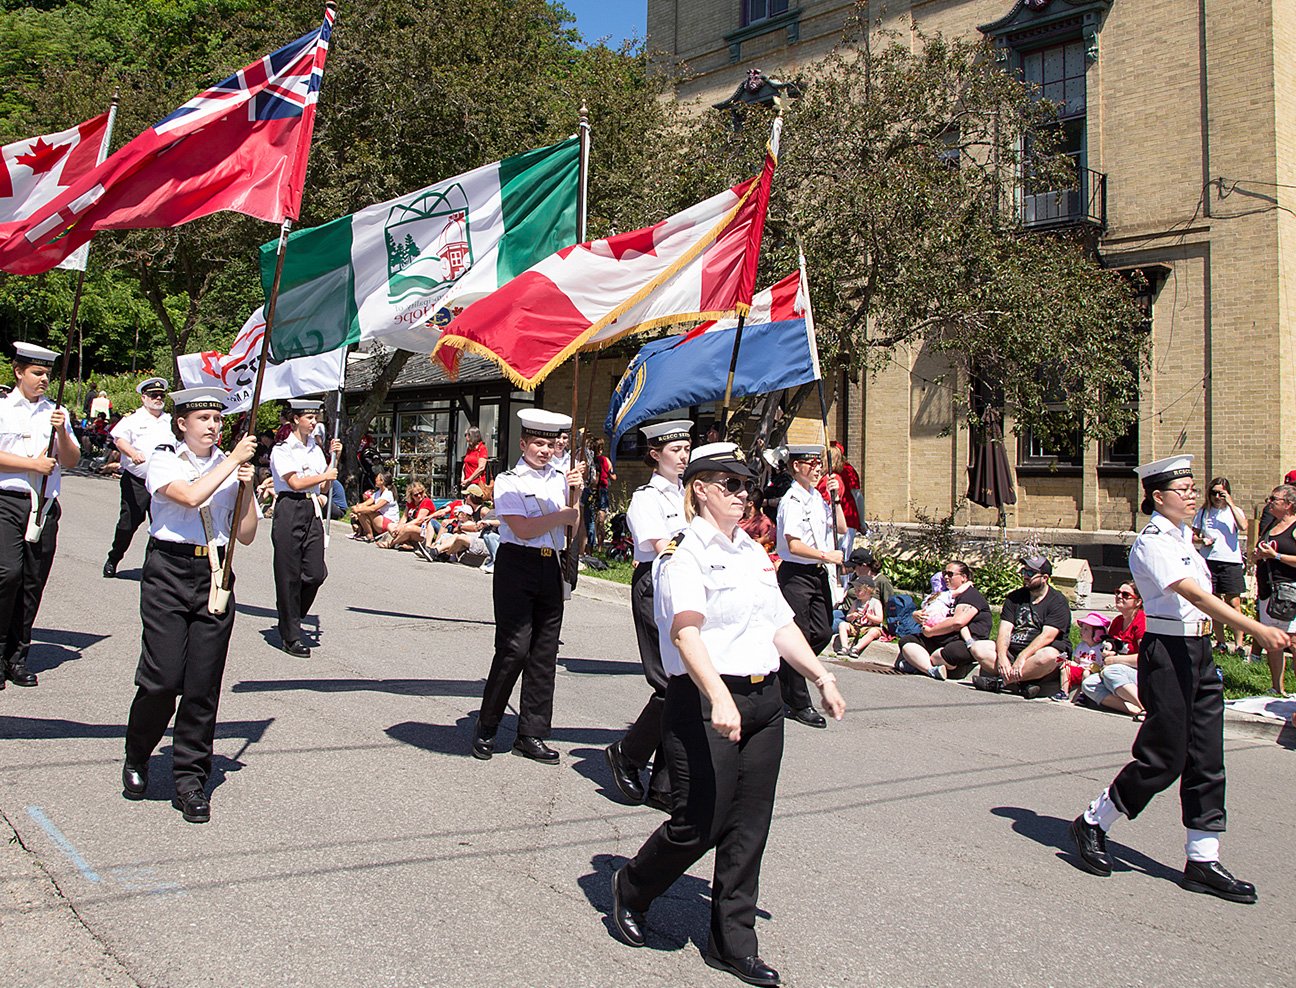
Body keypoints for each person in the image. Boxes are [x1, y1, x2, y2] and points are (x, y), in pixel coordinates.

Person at [607, 441, 845, 987]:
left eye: (748, 486)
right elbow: (686, 632)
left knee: (748, 825)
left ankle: (732, 941)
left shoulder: (752, 553)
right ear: (702, 489)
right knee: (700, 823)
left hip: (764, 702)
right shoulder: (681, 551)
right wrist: (717, 696)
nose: (744, 495)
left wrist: (821, 676)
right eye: (732, 485)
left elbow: (779, 625)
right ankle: (633, 886)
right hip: (705, 699)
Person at [1070, 455, 1289, 904]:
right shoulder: (1152, 542)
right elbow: (1192, 594)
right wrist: (1258, 630)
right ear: (1157, 497)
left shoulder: (1184, 537)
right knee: (1164, 756)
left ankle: (1202, 859)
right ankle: (1093, 820)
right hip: (1169, 653)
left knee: (1207, 755)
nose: (1192, 495)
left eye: (1193, 488)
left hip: (1200, 651)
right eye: (1183, 489)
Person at [119, 387, 259, 823]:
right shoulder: (164, 458)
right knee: (161, 678)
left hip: (215, 573)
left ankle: (190, 780)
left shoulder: (230, 467)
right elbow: (189, 497)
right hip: (168, 571)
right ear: (182, 424)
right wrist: (233, 462)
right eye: (203, 419)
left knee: (202, 684)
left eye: (218, 420)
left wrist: (247, 488)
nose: (213, 427)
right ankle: (139, 752)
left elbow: (247, 533)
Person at [471, 409, 584, 763]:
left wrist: (575, 496)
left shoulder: (561, 479)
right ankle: (487, 726)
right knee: (514, 649)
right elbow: (521, 528)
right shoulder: (509, 480)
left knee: (544, 653)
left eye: (550, 444)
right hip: (517, 564)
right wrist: (562, 515)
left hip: (551, 564)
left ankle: (532, 733)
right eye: (538, 443)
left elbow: (572, 528)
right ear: (523, 444)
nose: (545, 450)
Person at [604, 420, 692, 812]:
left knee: (686, 683)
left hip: (686, 587)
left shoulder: (691, 497)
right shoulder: (646, 498)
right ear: (656, 454)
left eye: (687, 448)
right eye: (676, 450)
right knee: (668, 682)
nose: (684, 455)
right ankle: (628, 753)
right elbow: (659, 545)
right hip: (655, 586)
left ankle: (665, 785)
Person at [0, 342, 79, 690]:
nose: (44, 379)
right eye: (37, 372)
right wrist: (32, 464)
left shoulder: (55, 412)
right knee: (8, 574)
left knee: (33, 581)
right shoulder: (3, 409)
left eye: (48, 374)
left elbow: (72, 460)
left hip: (44, 506)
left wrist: (61, 431)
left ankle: (17, 657)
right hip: (8, 501)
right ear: (19, 372)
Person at [774, 444, 848, 728]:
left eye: (819, 463)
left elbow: (840, 528)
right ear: (796, 466)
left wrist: (837, 499)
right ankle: (799, 702)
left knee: (823, 630)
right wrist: (824, 555)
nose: (817, 468)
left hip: (817, 574)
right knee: (800, 635)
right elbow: (793, 544)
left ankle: (786, 666)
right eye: (810, 463)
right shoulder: (792, 500)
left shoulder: (817, 497)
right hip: (796, 574)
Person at [269, 399, 342, 658]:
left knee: (315, 573)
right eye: (309, 417)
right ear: (295, 419)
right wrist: (325, 476)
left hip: (311, 508)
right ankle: (291, 635)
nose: (314, 422)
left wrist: (335, 459)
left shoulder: (315, 449)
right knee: (288, 573)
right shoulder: (283, 449)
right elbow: (295, 482)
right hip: (290, 506)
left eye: (316, 417)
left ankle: (292, 613)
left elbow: (323, 487)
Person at [970, 555, 1072, 697]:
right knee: (978, 648)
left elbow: (1047, 636)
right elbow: (1004, 631)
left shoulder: (1057, 602)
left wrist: (1023, 657)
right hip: (1013, 653)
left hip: (1037, 656)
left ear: (1045, 578)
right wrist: (1002, 657)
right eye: (1024, 571)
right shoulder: (1015, 598)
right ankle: (1024, 683)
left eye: (1030, 573)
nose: (1025, 576)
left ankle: (1001, 682)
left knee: (1049, 656)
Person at [103, 377, 173, 578]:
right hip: (137, 481)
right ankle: (114, 558)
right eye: (153, 395)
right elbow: (119, 439)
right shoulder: (134, 419)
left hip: (163, 483)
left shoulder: (169, 420)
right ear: (144, 398)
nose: (158, 398)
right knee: (129, 523)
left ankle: (154, 567)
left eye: (161, 395)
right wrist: (132, 452)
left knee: (161, 525)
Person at [895, 560, 992, 679]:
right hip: (941, 638)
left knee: (951, 652)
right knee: (907, 641)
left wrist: (931, 632)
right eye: (944, 573)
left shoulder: (970, 595)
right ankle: (930, 669)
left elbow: (958, 622)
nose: (946, 577)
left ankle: (919, 664)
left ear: (963, 577)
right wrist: (917, 615)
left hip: (965, 640)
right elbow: (929, 610)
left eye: (950, 574)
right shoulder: (944, 594)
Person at [1192, 476, 1247, 654]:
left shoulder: (1234, 511)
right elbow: (1193, 535)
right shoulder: (1203, 512)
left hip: (1230, 560)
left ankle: (1239, 644)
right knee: (1214, 602)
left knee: (1233, 602)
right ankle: (1221, 642)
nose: (1217, 497)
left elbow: (1244, 526)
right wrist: (1202, 540)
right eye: (1214, 493)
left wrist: (1230, 503)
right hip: (1210, 560)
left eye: (1221, 493)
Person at [1253, 483, 1296, 696]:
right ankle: (1277, 687)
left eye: (1274, 499)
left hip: (1291, 591)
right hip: (1269, 590)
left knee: (1294, 640)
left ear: (1288, 504)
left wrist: (1276, 556)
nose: (1269, 503)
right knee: (1273, 640)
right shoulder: (1272, 525)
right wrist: (1259, 556)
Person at [816, 442, 860, 564]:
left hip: (839, 522)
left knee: (841, 559)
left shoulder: (830, 480)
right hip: (843, 522)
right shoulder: (834, 477)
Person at [834, 576, 884, 657]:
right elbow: (848, 617)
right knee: (842, 625)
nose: (856, 592)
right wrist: (853, 615)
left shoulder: (875, 602)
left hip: (870, 627)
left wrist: (868, 616)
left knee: (874, 632)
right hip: (857, 626)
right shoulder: (856, 602)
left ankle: (856, 648)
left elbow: (880, 619)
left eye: (859, 590)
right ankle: (845, 647)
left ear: (868, 590)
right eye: (855, 590)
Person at [583, 437, 615, 551]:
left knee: (590, 519)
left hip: (593, 490)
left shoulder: (590, 461)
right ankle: (600, 547)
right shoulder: (606, 460)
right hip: (603, 490)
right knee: (601, 520)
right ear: (600, 449)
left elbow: (594, 479)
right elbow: (613, 476)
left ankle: (590, 547)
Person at [384, 480, 434, 551]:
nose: (419, 496)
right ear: (411, 496)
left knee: (408, 528)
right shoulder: (410, 503)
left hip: (424, 531)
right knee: (390, 525)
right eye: (416, 495)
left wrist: (403, 526)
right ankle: (407, 543)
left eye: (421, 493)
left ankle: (391, 543)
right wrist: (399, 527)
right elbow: (404, 516)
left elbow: (419, 520)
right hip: (411, 527)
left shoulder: (427, 502)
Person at [350, 472, 397, 541]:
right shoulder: (377, 493)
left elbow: (374, 508)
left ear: (382, 481)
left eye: (377, 478)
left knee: (362, 510)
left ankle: (369, 535)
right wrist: (356, 507)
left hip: (388, 523)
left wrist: (358, 510)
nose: (375, 480)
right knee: (360, 510)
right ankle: (367, 533)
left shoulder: (388, 493)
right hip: (379, 520)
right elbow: (366, 503)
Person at [461, 425, 489, 489]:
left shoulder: (482, 448)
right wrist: (463, 478)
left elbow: (481, 467)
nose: (466, 437)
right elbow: (465, 463)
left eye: (467, 435)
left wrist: (469, 479)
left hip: (477, 483)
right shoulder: (469, 449)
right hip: (467, 483)